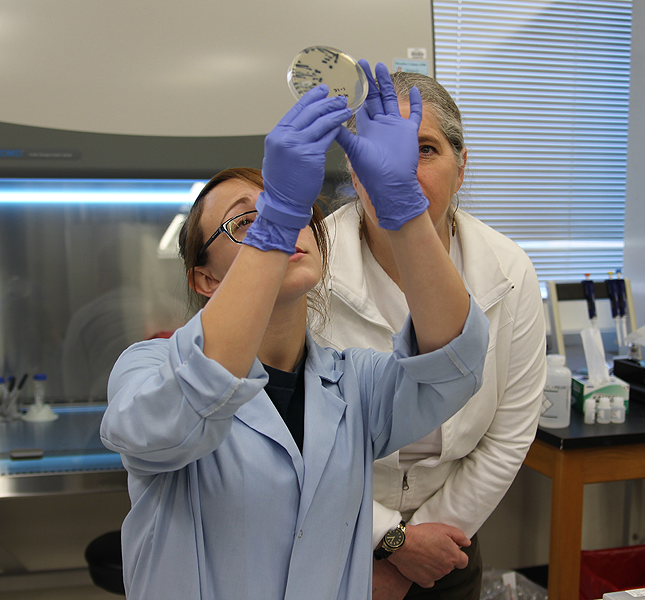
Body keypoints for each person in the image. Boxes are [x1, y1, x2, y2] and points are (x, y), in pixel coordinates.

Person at [100, 63, 490, 600]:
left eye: (289, 213)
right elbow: (184, 410)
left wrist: (401, 206)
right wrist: (279, 214)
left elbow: (453, 364)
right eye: (247, 222)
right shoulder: (147, 370)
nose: (280, 230)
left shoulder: (354, 385)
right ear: (205, 277)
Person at [314, 68, 547, 599]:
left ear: (461, 168)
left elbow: (509, 433)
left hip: (448, 545)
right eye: (379, 149)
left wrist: (418, 552)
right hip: (328, 535)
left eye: (424, 149)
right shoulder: (310, 268)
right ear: (353, 168)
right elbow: (291, 433)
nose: (399, 168)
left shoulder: (509, 272)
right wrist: (387, 540)